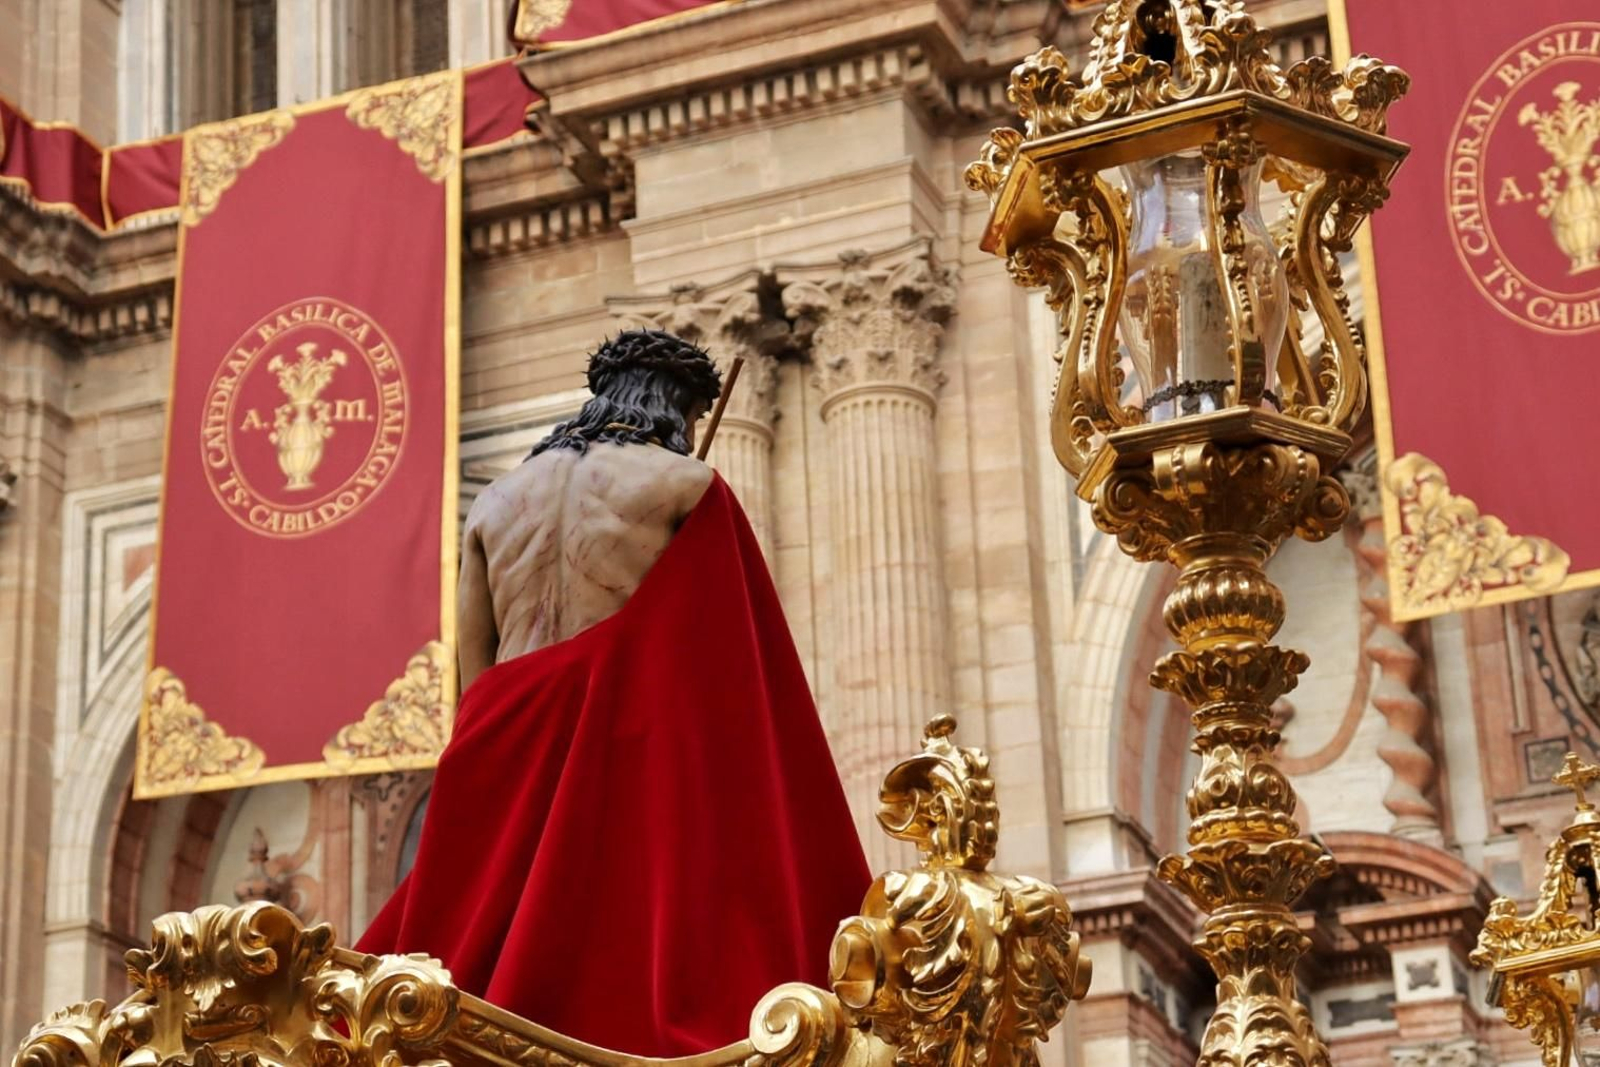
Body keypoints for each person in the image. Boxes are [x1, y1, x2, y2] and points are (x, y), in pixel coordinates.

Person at [358, 329, 870, 1057]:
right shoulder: (685, 485)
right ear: (679, 409)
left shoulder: (495, 502)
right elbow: (727, 677)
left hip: (501, 758)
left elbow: (478, 681)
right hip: (619, 754)